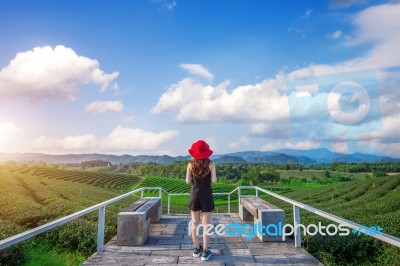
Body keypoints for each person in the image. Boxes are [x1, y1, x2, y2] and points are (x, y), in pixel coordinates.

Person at [186, 139, 217, 261]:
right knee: (206, 225)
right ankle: (205, 251)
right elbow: (213, 181)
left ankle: (196, 249)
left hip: (195, 195)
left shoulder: (190, 164)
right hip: (206, 195)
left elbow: (188, 181)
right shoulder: (211, 164)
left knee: (194, 222)